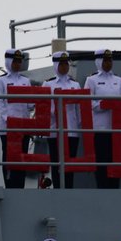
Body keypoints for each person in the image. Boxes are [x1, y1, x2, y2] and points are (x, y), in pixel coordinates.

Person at [84, 47, 121, 189]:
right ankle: (102, 188)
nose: (108, 63)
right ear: (99, 61)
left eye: (110, 60)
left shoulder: (118, 80)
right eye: (105, 60)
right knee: (102, 161)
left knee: (115, 161)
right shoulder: (91, 80)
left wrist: (114, 105)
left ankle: (115, 188)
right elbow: (89, 103)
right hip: (100, 128)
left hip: (116, 129)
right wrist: (106, 104)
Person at [42, 51, 83, 189]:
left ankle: (69, 189)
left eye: (66, 64)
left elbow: (79, 107)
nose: (65, 67)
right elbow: (44, 107)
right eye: (62, 64)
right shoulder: (48, 85)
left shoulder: (75, 84)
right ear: (56, 65)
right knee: (56, 163)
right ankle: (58, 188)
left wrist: (81, 125)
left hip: (72, 130)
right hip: (55, 130)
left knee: (70, 164)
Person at [0, 48, 31, 188]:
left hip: (23, 126)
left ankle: (20, 185)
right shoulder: (1, 81)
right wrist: (9, 119)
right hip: (7, 127)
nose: (17, 64)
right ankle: (9, 184)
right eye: (14, 61)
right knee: (8, 157)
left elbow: (29, 103)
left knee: (22, 156)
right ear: (9, 61)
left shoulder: (26, 81)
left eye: (19, 61)